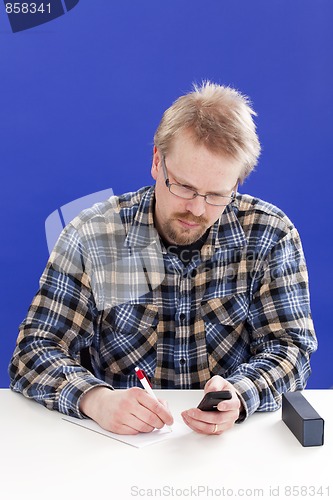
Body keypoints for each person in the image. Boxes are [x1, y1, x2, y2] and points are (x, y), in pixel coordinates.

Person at [9, 81, 317, 436]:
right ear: (157, 162)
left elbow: (291, 349)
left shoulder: (270, 234)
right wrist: (95, 399)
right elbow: (34, 350)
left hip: (229, 445)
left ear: (236, 185)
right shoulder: (92, 234)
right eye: (184, 187)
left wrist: (240, 395)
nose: (197, 210)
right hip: (114, 444)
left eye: (217, 195)